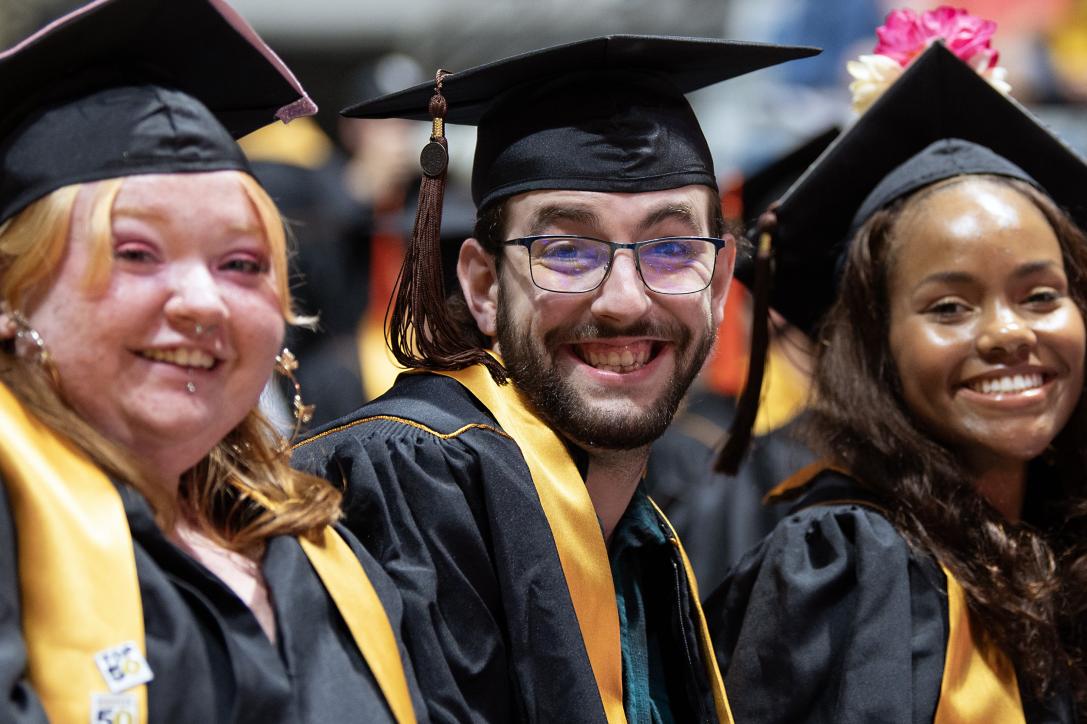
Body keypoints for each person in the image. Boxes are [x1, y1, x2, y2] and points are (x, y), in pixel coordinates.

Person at [291, 35, 818, 724]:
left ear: (719, 285)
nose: (625, 298)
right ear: (482, 286)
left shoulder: (642, 542)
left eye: (669, 249)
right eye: (566, 249)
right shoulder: (403, 490)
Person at [0, 1, 423, 722]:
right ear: (12, 297)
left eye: (241, 263)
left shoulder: (314, 538)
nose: (204, 302)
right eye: (135, 253)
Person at [705, 28, 1087, 723]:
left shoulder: (1050, 546)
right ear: (875, 341)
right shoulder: (851, 564)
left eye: (1040, 295)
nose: (1007, 332)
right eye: (948, 306)